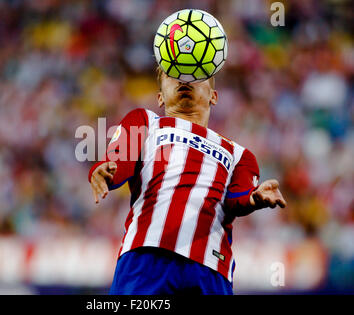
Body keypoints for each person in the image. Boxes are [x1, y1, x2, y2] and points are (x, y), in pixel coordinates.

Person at [88, 67, 287, 295]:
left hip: (210, 268)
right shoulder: (145, 121)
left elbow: (236, 199)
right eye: (174, 74)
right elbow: (118, 161)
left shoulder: (240, 155)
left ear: (214, 95)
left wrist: (254, 197)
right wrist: (103, 170)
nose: (185, 79)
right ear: (160, 96)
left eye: (196, 74)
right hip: (147, 256)